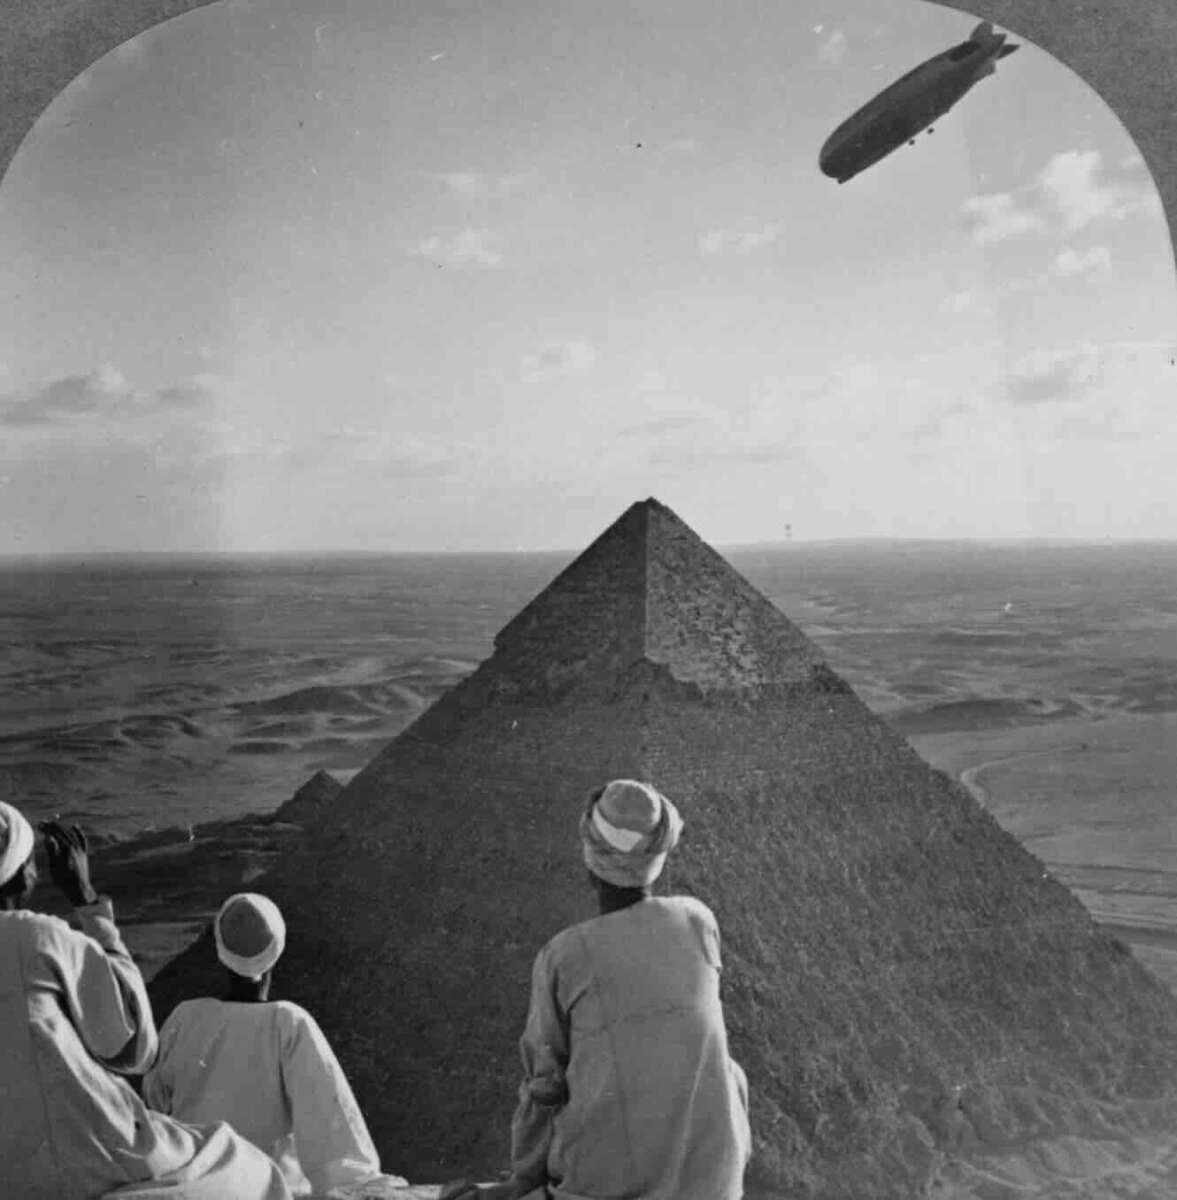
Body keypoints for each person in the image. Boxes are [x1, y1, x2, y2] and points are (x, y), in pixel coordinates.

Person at [456, 779, 752, 1200]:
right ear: (659, 855)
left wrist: (522, 1179)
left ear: (589, 854)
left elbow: (544, 1085)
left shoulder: (565, 955)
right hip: (715, 1184)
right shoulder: (698, 920)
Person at [0, 802, 291, 1200]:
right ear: (22, 875)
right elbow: (134, 1047)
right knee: (243, 1164)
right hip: (85, 1156)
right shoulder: (38, 938)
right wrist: (86, 898)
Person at [143, 891, 400, 1197]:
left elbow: (154, 1100)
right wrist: (358, 1185)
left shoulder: (185, 1017)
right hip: (267, 1191)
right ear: (277, 950)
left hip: (195, 1188)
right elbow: (330, 1127)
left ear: (221, 950)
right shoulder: (287, 1024)